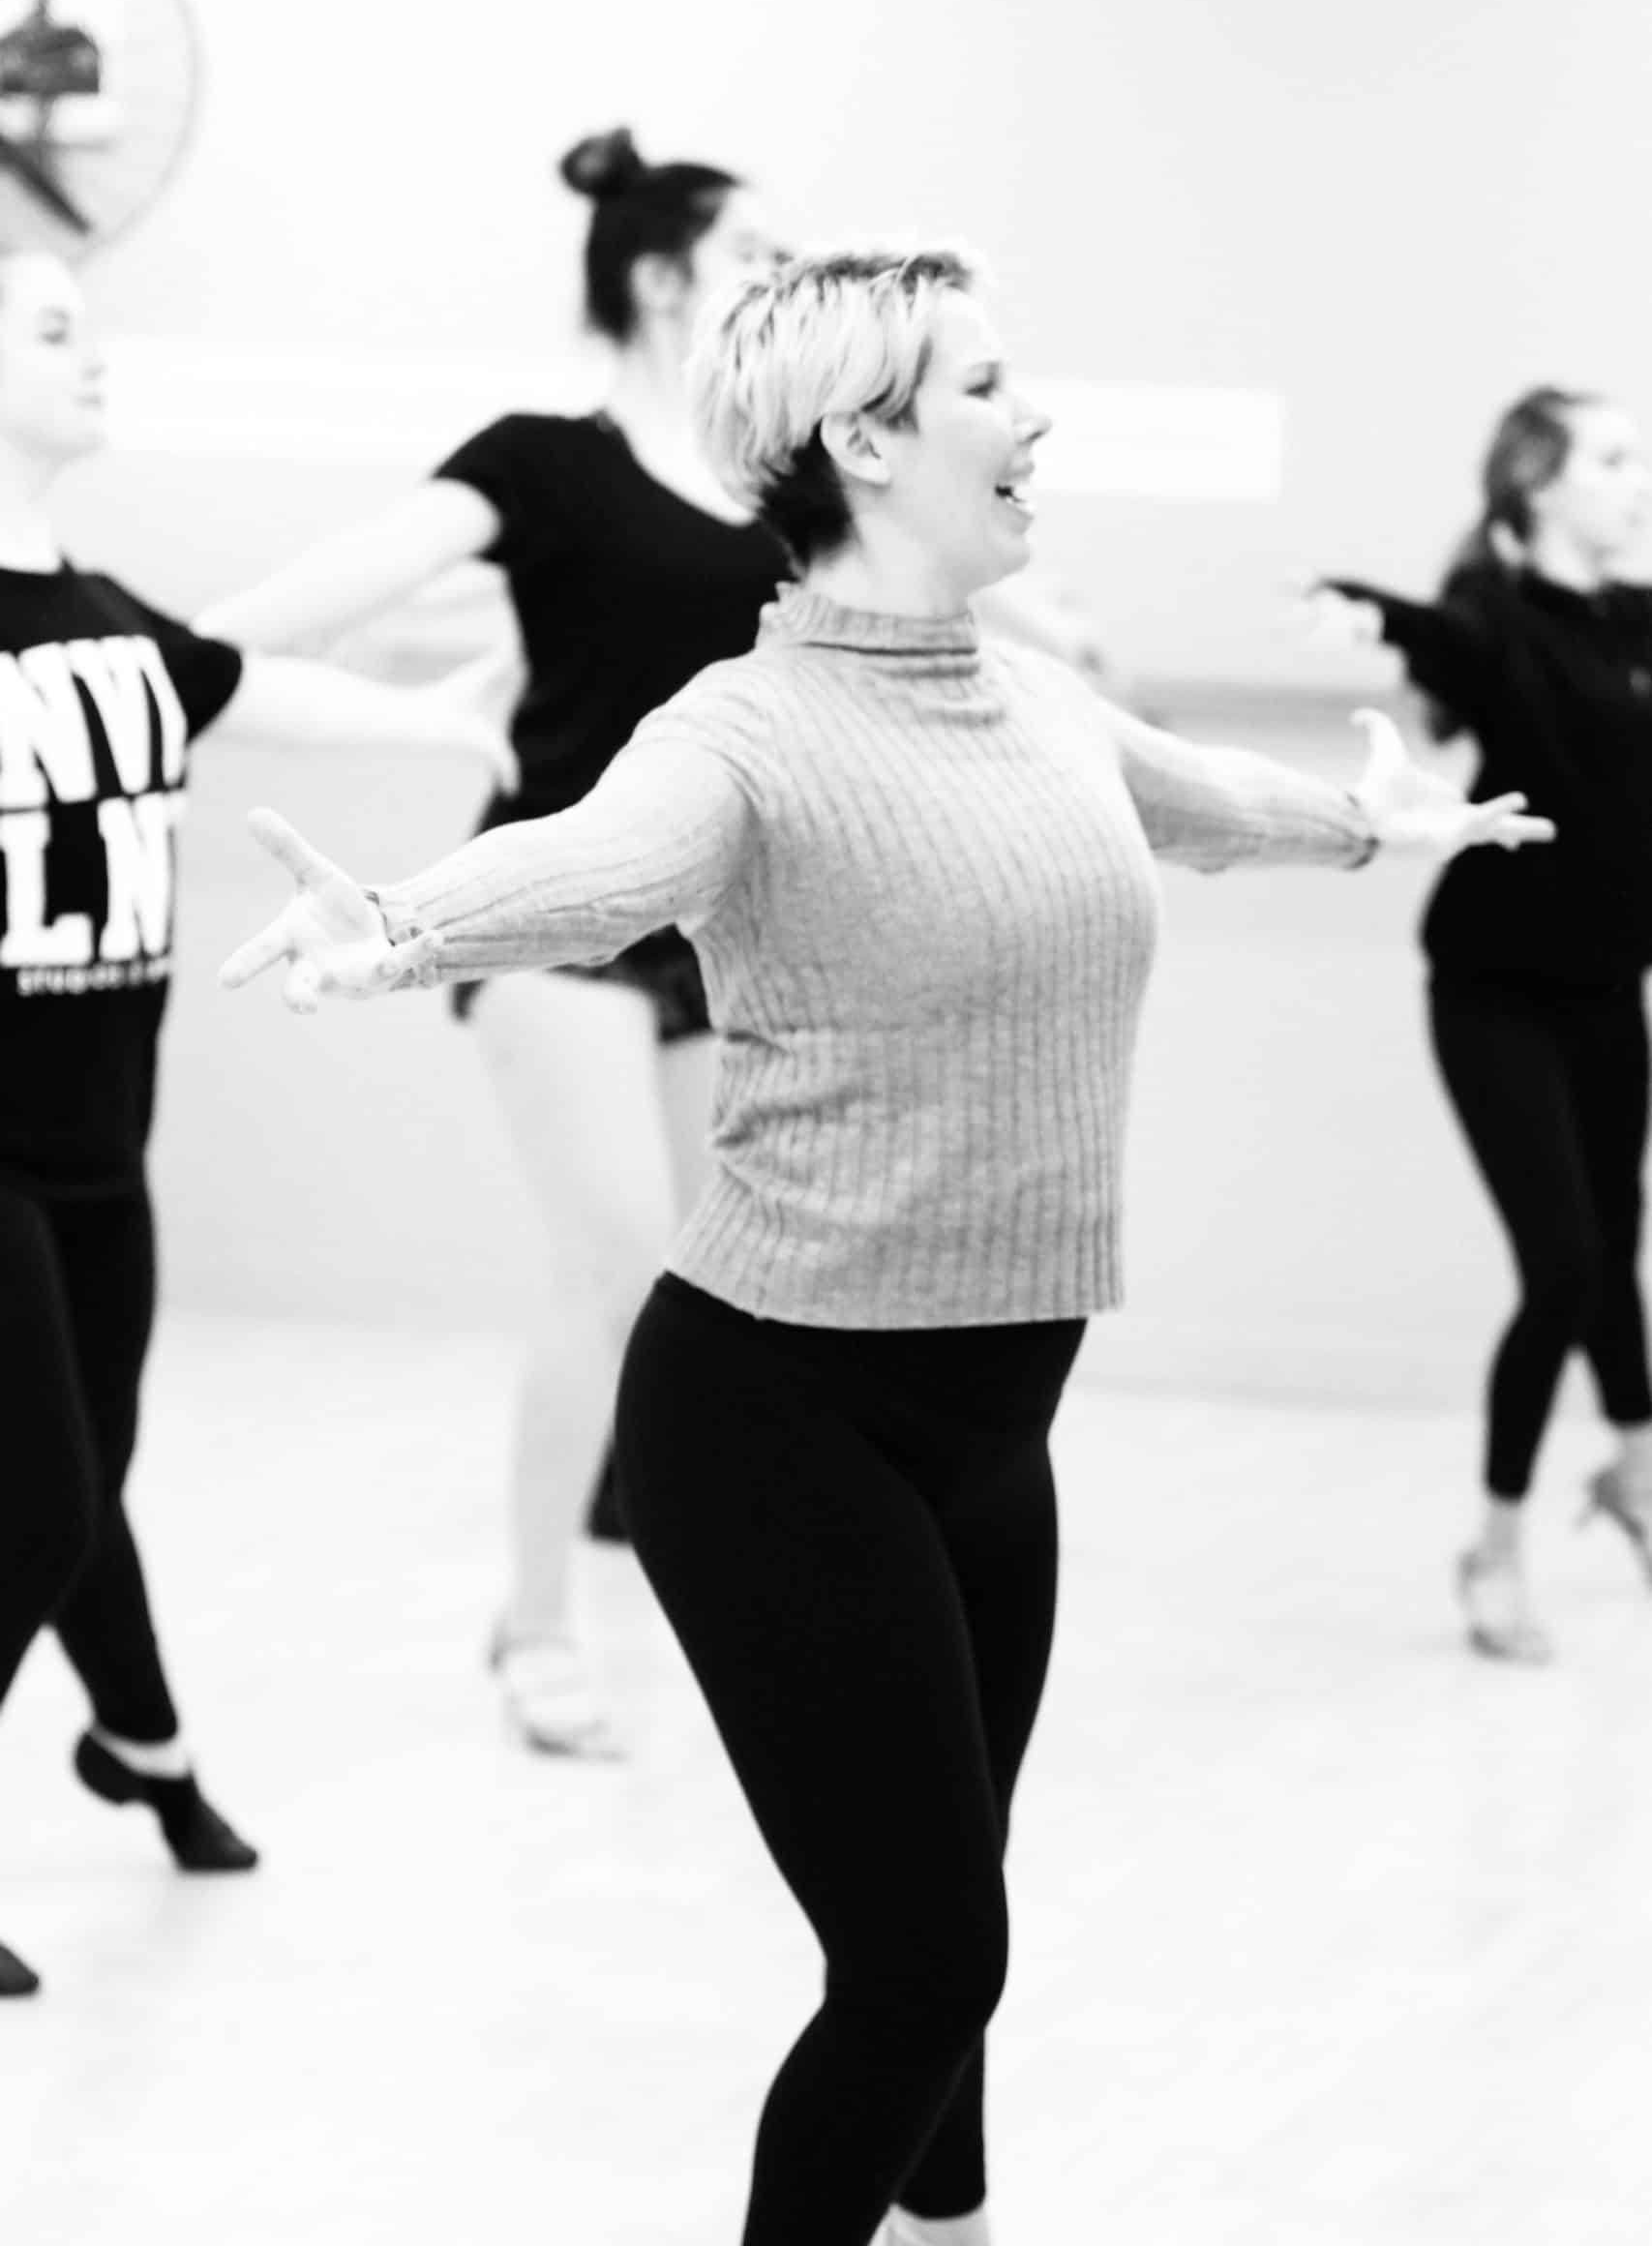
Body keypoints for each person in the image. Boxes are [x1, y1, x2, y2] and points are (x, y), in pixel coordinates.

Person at [220, 246, 1550, 2246]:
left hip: (992, 1426)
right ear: (860, 437)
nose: (1034, 418)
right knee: (924, 1962)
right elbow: (593, 861)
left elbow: (1196, 801)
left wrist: (1374, 827)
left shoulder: (1034, 697)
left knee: (951, 1920)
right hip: (775, 1420)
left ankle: (954, 2227)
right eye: (987, 384)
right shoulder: (741, 730)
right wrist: (403, 926)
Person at [199, 129, 1112, 1760]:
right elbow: (354, 574)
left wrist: (1070, 639)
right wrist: (162, 659)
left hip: (723, 930)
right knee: (612, 1262)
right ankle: (537, 1626)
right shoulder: (544, 463)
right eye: (751, 246)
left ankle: (732, 1572)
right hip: (552, 909)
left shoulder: (773, 478)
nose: (782, 266)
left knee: (719, 1278)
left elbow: (933, 583)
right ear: (659, 276)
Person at [0, 248, 510, 2002]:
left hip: (100, 1144)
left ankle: (140, 1743)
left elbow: (241, 684)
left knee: (79, 1480)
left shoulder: (106, 614)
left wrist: (439, 722)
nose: (94, 354)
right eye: (50, 329)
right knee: (36, 1496)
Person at [1310, 386, 1652, 1664]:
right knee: (1562, 1266)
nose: (1637, 480)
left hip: (1608, 988)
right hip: (1493, 992)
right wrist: (1367, 610)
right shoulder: (1497, 618)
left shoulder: (1638, 619)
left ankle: (1636, 1474)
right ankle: (1496, 1552)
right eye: (1611, 459)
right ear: (1537, 484)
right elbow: (1445, 640)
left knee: (1615, 1248)